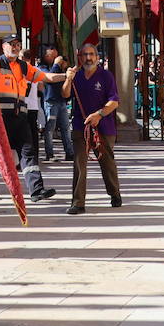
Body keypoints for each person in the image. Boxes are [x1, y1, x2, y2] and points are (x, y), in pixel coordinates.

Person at [0, 37, 64, 202]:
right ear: (4, 47)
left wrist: (66, 75)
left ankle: (36, 190)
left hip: (20, 116)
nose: (15, 47)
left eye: (18, 45)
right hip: (0, 118)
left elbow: (46, 77)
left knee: (28, 152)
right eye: (12, 45)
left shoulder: (23, 66)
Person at [62, 42, 122, 215]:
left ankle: (114, 194)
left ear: (97, 57)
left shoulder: (106, 76)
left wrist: (99, 115)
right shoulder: (77, 76)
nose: (88, 58)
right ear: (80, 58)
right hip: (81, 126)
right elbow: (65, 95)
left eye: (91, 54)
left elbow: (114, 102)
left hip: (103, 126)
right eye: (84, 55)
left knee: (107, 163)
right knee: (79, 163)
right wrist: (68, 78)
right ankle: (78, 202)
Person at [37, 46, 75, 162]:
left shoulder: (60, 68)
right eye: (51, 56)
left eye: (56, 56)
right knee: (50, 129)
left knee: (65, 128)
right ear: (45, 56)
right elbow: (50, 78)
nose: (54, 59)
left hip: (62, 102)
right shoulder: (42, 68)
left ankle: (69, 153)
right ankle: (50, 154)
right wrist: (56, 64)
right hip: (50, 102)